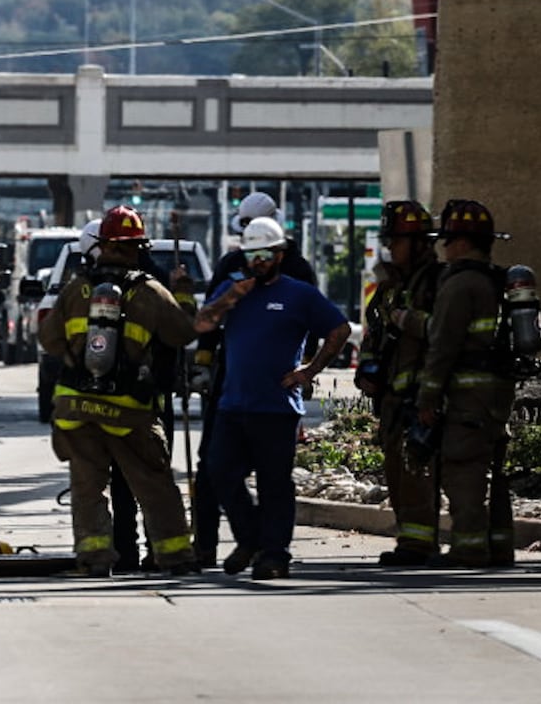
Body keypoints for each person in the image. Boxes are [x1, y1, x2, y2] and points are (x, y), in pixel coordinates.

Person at [40, 205, 200, 577]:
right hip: (128, 410)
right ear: (138, 248)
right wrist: (184, 294)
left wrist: (74, 358)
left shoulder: (75, 288)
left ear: (102, 245)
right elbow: (182, 334)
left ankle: (95, 559)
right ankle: (174, 557)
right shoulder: (149, 291)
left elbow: (47, 338)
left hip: (76, 408)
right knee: (154, 485)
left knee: (87, 489)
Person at [194, 215, 350, 580]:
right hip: (232, 405)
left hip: (277, 408)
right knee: (219, 473)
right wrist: (230, 296)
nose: (257, 262)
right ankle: (250, 539)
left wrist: (309, 372)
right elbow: (202, 324)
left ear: (279, 254)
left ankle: (274, 555)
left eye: (264, 254)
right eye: (251, 255)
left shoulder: (299, 294)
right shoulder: (234, 291)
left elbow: (339, 329)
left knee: (274, 484)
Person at [189, 191, 317, 567]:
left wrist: (306, 368)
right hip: (231, 379)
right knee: (214, 467)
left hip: (277, 386)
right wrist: (203, 361)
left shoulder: (297, 270)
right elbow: (209, 320)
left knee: (272, 475)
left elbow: (320, 325)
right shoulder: (232, 264)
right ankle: (210, 545)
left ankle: (268, 549)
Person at [414, 199, 516, 567]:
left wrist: (428, 397)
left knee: (464, 469)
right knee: (495, 472)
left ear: (462, 242)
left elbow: (443, 346)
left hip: (467, 396)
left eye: (447, 239)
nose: (443, 246)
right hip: (499, 394)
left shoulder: (460, 285)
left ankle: (469, 548)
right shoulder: (498, 279)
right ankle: (500, 546)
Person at [356, 200, 444, 566]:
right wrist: (367, 369)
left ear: (421, 243)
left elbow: (444, 332)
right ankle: (409, 538)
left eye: (398, 241)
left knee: (416, 472)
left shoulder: (438, 283)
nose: (391, 248)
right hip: (391, 395)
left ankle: (419, 545)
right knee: (396, 470)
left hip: (420, 393)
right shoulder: (388, 286)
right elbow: (373, 334)